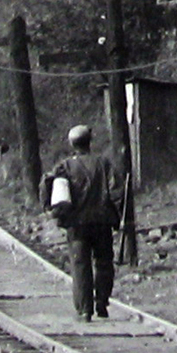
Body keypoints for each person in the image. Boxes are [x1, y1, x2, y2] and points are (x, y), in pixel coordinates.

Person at [44, 124, 123, 321]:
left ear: (72, 144)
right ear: (90, 142)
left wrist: (49, 208)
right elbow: (117, 192)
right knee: (104, 262)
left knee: (80, 265)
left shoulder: (65, 166)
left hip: (76, 223)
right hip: (102, 221)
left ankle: (84, 309)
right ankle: (102, 303)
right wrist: (120, 216)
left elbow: (47, 184)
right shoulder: (104, 164)